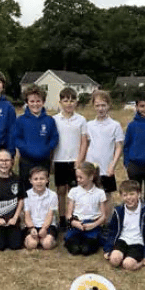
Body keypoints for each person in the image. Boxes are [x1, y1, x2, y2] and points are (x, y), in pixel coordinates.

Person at [52, 87, 88, 229]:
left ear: (76, 103)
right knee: (61, 191)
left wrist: (79, 160)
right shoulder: (54, 119)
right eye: (65, 100)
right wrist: (51, 162)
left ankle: (73, 217)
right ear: (60, 102)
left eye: (72, 100)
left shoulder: (81, 120)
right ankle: (61, 219)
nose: (69, 103)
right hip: (59, 160)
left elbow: (84, 141)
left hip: (75, 161)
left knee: (74, 192)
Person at [104, 180, 145, 271]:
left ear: (138, 194)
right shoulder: (118, 211)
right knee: (114, 260)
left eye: (132, 194)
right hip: (123, 240)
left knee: (128, 264)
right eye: (125, 195)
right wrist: (108, 248)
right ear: (121, 196)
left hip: (138, 242)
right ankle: (124, 255)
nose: (129, 198)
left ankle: (141, 262)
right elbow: (113, 231)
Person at [85, 90, 124, 218]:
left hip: (106, 167)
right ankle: (93, 220)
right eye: (97, 105)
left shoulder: (115, 125)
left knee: (106, 196)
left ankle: (107, 223)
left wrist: (113, 165)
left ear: (108, 105)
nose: (100, 108)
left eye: (103, 105)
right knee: (91, 194)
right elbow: (85, 145)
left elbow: (118, 147)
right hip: (92, 167)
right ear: (93, 106)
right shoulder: (89, 125)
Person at [13, 85, 59, 190]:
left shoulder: (49, 120)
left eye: (38, 101)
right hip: (26, 161)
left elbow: (54, 138)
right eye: (32, 101)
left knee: (42, 189)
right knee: (26, 190)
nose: (35, 104)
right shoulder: (21, 120)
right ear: (27, 102)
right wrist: (26, 149)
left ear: (43, 102)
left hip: (44, 160)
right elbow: (16, 138)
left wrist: (47, 148)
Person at [0, 149, 25, 251]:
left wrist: (15, 218)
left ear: (12, 162)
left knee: (16, 246)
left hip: (12, 219)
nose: (4, 163)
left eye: (7, 160)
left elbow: (21, 199)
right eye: (1, 160)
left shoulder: (17, 179)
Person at [64, 162, 107, 256]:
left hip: (92, 225)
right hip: (76, 224)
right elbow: (68, 214)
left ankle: (91, 240)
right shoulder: (74, 191)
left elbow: (103, 216)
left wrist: (93, 225)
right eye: (77, 177)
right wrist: (74, 222)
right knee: (74, 249)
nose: (78, 180)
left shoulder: (100, 193)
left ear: (91, 177)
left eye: (81, 177)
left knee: (86, 250)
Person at [23, 166, 58, 250]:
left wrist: (44, 228)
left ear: (47, 180)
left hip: (48, 225)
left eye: (42, 179)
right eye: (35, 179)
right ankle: (34, 240)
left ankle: (47, 240)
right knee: (31, 245)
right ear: (30, 181)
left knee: (47, 244)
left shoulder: (53, 195)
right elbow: (27, 215)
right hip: (32, 224)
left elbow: (50, 215)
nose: (39, 182)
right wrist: (31, 228)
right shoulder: (26, 195)